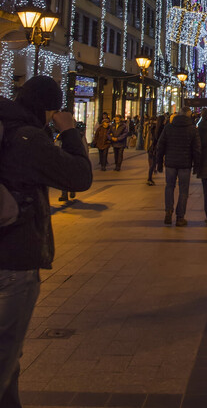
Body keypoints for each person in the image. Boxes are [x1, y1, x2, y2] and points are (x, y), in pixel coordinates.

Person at [0, 76, 92, 408]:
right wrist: (68, 131)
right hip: (13, 260)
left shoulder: (6, 128)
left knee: (9, 359)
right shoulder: (27, 138)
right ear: (48, 108)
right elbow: (80, 177)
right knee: (5, 354)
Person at [156, 107, 200, 226]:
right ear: (188, 115)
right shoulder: (192, 129)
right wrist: (196, 165)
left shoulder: (169, 127)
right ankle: (180, 217)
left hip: (170, 163)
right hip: (185, 164)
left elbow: (160, 145)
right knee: (183, 190)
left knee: (169, 187)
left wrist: (159, 163)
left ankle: (168, 211)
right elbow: (197, 149)